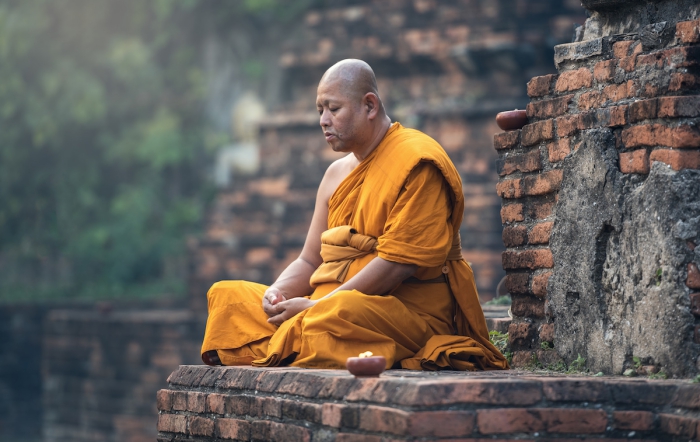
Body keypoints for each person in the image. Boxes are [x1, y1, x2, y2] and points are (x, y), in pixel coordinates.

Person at [200, 59, 509, 371]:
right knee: (227, 297)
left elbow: (397, 265)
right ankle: (294, 338)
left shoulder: (417, 162)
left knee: (336, 316)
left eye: (333, 109)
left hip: (397, 312)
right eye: (319, 110)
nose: (323, 120)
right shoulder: (335, 174)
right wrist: (276, 294)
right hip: (325, 306)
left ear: (369, 106)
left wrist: (318, 306)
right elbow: (309, 261)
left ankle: (288, 340)